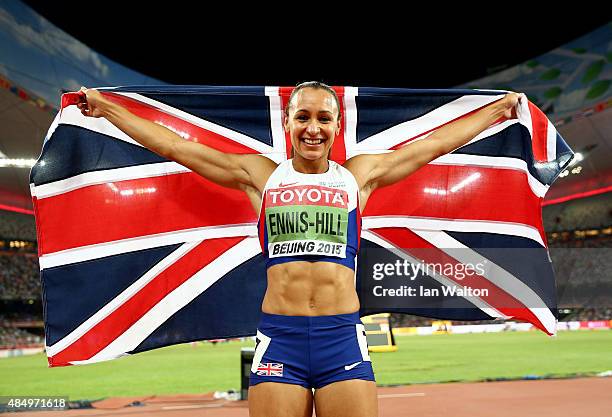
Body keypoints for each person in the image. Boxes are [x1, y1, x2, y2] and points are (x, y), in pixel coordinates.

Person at [77, 82, 523, 417]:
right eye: (303, 117)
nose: (313, 128)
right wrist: (108, 109)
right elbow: (175, 146)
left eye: (323, 118)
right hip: (281, 342)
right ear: (287, 123)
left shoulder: (358, 177)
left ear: (337, 125)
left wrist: (497, 110)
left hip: (342, 338)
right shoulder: (261, 176)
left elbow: (434, 145)